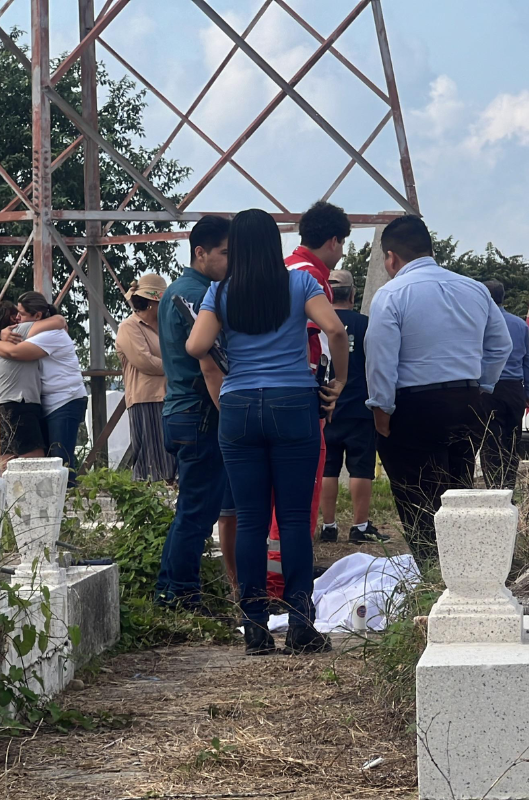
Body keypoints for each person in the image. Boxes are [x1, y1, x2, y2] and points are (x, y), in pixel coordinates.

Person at [187, 208, 349, 656]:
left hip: (239, 408)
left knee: (253, 520)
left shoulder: (220, 292)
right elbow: (334, 328)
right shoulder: (299, 283)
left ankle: (255, 627)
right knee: (295, 519)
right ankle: (300, 626)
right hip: (294, 403)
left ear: (236, 246)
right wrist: (340, 381)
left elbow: (196, 346)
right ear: (274, 244)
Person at [364, 216, 512, 571]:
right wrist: (482, 388)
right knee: (457, 495)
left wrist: (381, 408)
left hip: (414, 407)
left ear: (391, 258)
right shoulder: (474, 289)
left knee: (417, 498)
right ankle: (464, 573)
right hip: (467, 401)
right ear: (431, 250)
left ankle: (432, 575)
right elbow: (500, 345)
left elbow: (381, 355)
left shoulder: (392, 294)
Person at [264, 201, 353, 595]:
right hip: (296, 394)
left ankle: (277, 573)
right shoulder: (306, 278)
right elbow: (333, 331)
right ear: (334, 241)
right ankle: (282, 578)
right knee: (299, 488)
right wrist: (342, 380)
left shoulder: (285, 269)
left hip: (265, 394)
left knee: (271, 494)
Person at [154, 215, 237, 611]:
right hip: (200, 412)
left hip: (182, 410)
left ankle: (170, 589)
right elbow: (210, 361)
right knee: (197, 512)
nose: (230, 261)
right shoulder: (196, 296)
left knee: (193, 508)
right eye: (224, 253)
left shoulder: (183, 291)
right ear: (200, 253)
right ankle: (183, 595)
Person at [319, 270, 389, 545]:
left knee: (328, 468)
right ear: (352, 294)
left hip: (326, 407)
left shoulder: (320, 323)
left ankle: (329, 526)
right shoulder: (365, 325)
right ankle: (359, 526)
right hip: (360, 408)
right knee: (361, 468)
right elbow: (376, 365)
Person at [0, 292, 85, 480]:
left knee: (10, 462)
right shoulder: (17, 333)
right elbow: (59, 321)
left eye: (21, 313)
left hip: (8, 406)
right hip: (21, 404)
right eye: (16, 314)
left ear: (37, 316)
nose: (19, 318)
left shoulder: (11, 337)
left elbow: (59, 322)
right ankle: (55, 500)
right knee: (40, 465)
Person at [115, 274, 176, 483]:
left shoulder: (164, 327)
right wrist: (178, 366)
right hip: (146, 398)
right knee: (152, 460)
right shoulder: (130, 327)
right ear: (152, 303)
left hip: (170, 396)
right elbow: (145, 362)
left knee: (169, 457)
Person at [479, 280, 529, 490]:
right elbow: (528, 360)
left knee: (489, 442)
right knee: (512, 441)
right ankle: (508, 487)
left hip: (487, 389)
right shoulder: (519, 324)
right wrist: (528, 391)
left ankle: (493, 488)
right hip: (514, 390)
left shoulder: (478, 323)